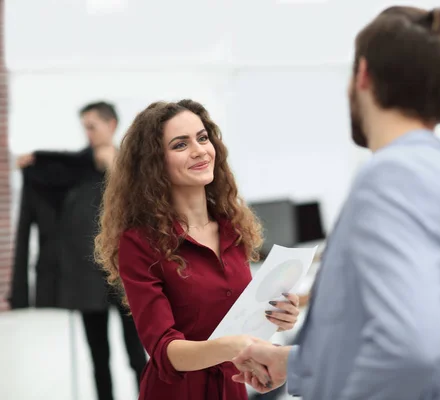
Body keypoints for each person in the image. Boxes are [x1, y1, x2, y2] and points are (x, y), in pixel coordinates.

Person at [232, 5, 440, 400]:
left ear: (362, 75)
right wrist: (296, 364)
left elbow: (409, 350)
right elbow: (398, 339)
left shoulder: (390, 180)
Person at [93, 99, 300, 400]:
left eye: (203, 138)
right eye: (180, 145)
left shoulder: (232, 228)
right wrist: (236, 348)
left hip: (231, 389)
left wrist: (277, 316)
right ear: (155, 163)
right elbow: (164, 350)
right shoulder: (139, 243)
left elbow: (235, 320)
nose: (200, 150)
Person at [15, 102, 147, 400]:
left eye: (92, 126)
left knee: (136, 354)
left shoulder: (131, 165)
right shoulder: (75, 167)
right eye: (84, 127)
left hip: (126, 275)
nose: (87, 133)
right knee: (98, 357)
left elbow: (137, 204)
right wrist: (34, 161)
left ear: (111, 125)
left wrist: (111, 166)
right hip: (86, 276)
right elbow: (57, 165)